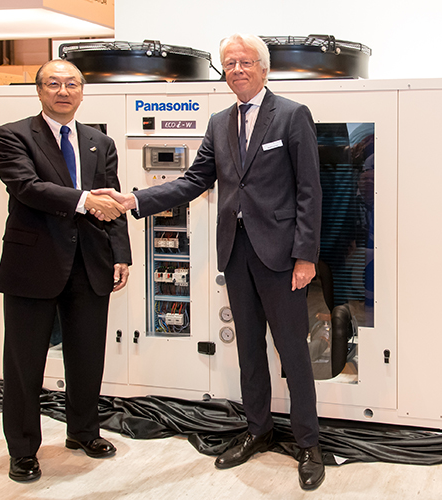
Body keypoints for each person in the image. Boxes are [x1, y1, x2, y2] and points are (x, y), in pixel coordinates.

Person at [95, 33, 325, 490]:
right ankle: (258, 430)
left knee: (293, 353)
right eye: (229, 63)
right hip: (236, 253)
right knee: (249, 351)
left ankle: (309, 444)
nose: (236, 70)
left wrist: (305, 256)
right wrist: (134, 200)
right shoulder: (220, 122)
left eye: (245, 62)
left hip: (281, 257)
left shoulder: (292, 114)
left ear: (264, 68)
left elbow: (309, 190)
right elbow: (194, 180)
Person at [0, 59, 131, 483]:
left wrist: (121, 253)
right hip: (33, 264)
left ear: (82, 91)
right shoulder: (13, 135)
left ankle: (84, 432)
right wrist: (85, 200)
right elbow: (27, 187)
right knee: (24, 363)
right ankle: (22, 450)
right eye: (53, 83)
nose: (63, 91)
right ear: (39, 91)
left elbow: (113, 200)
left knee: (87, 355)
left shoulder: (99, 142)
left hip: (90, 262)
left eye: (72, 83)